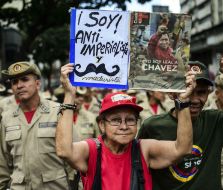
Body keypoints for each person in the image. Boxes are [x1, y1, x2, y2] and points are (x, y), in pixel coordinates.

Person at [55, 63, 196, 190]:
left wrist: (182, 102)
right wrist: (69, 94)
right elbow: (64, 151)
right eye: (116, 120)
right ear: (102, 125)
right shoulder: (92, 150)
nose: (124, 126)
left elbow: (182, 149)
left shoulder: (143, 149)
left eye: (130, 120)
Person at [138, 57, 223, 190]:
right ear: (171, 93)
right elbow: (137, 167)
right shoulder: (152, 126)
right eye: (187, 91)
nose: (194, 100)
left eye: (201, 92)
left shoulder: (215, 121)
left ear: (209, 93)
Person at [0, 61, 73, 189]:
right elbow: (2, 163)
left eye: (24, 79)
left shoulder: (58, 111)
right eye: (14, 82)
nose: (19, 85)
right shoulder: (7, 118)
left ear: (38, 83)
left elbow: (75, 153)